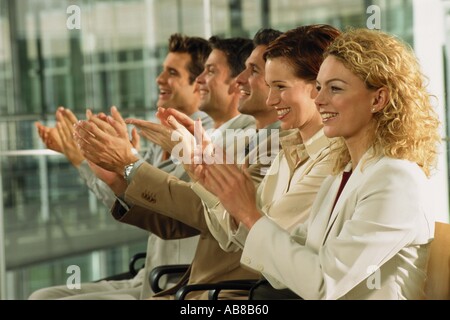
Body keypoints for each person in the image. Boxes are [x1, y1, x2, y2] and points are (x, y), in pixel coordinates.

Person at [198, 28, 440, 299]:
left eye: (335, 88)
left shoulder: (396, 180)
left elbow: (323, 283)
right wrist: (234, 203)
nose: (319, 99)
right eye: (319, 87)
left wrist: (249, 214)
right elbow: (288, 263)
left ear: (378, 99)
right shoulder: (344, 173)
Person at [74, 31, 281, 299]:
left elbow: (204, 212)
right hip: (190, 287)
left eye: (253, 70)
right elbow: (181, 218)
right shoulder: (240, 139)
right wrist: (117, 177)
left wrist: (129, 164)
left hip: (217, 295)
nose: (242, 79)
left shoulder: (269, 144)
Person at [30, 33, 213, 300]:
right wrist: (90, 160)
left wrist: (125, 160)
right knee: (42, 296)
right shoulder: (158, 140)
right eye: (162, 70)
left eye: (171, 72)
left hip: (176, 282)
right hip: (149, 275)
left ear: (199, 84)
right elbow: (130, 204)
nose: (159, 79)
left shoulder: (206, 142)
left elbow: (160, 208)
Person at [192, 24, 341, 254]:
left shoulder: (334, 159)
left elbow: (262, 236)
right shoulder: (287, 150)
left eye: (280, 87)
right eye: (270, 86)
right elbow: (233, 239)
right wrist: (208, 180)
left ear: (319, 86)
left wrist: (222, 184)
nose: (271, 100)